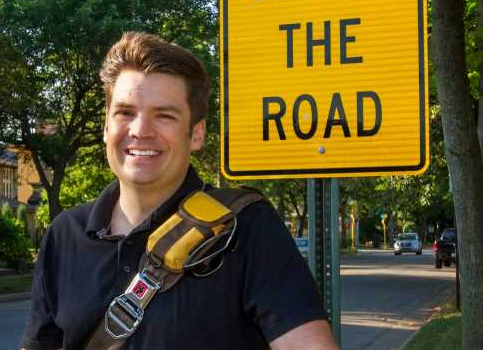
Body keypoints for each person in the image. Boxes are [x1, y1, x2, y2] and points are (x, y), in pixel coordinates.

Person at [21, 32, 338, 350]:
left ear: (196, 134)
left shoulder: (248, 229)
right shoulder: (64, 235)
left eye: (165, 116)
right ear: (106, 127)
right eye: (125, 112)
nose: (140, 130)